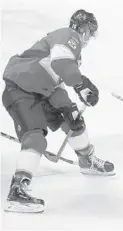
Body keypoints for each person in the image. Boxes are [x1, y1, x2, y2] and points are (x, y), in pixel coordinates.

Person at [2, 9, 115, 213]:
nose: (90, 37)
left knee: (73, 118)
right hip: (20, 89)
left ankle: (87, 160)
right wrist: (81, 85)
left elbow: (55, 76)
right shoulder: (69, 36)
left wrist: (68, 106)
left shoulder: (70, 49)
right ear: (83, 28)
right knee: (35, 138)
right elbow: (61, 63)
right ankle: (17, 191)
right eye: (90, 31)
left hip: (42, 91)